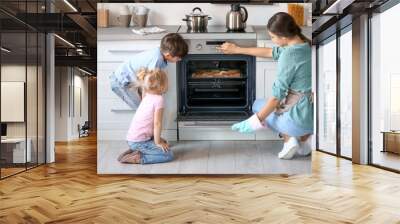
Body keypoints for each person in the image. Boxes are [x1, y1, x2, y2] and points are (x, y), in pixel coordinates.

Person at [217, 12, 313, 160]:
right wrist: (237, 49)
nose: (271, 40)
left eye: (273, 37)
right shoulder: (305, 44)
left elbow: (276, 98)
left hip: (297, 120)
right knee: (279, 105)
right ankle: (304, 138)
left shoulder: (288, 55)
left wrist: (254, 121)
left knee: (257, 105)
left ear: (283, 37)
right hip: (312, 118)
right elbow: (269, 51)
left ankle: (289, 139)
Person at [109, 33, 188, 109]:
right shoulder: (156, 61)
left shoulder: (159, 53)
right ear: (168, 55)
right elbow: (147, 85)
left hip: (131, 81)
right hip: (121, 82)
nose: (180, 59)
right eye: (178, 57)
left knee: (145, 107)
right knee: (142, 109)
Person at [118, 69, 173, 164]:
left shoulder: (147, 95)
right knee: (168, 155)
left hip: (133, 139)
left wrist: (159, 140)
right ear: (161, 85)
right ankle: (138, 158)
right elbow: (157, 123)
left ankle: (134, 151)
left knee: (166, 144)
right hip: (139, 142)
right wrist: (158, 142)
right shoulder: (159, 99)